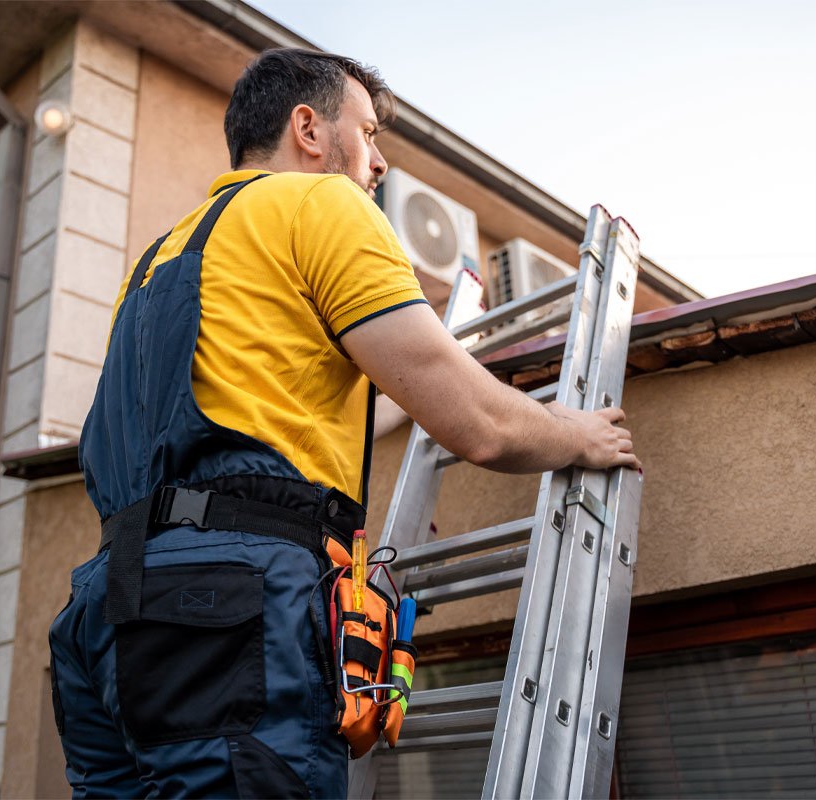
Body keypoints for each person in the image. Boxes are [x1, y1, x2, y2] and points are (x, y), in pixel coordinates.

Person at [48, 47, 640, 799]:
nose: (380, 163)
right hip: (231, 607)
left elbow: (262, 406)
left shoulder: (163, 258)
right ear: (308, 129)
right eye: (367, 133)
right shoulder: (321, 204)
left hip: (106, 610)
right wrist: (575, 433)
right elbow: (478, 425)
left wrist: (402, 403)